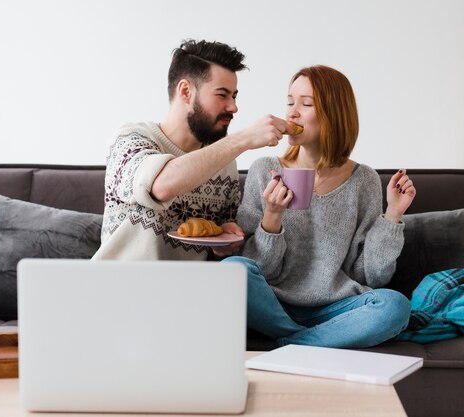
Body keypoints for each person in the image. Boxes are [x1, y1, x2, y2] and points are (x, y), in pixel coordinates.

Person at [223, 65, 416, 348]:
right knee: (232, 270)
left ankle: (290, 345)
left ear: (333, 113)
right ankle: (313, 344)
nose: (292, 113)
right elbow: (258, 269)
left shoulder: (364, 180)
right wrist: (272, 217)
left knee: (394, 306)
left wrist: (392, 215)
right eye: (290, 102)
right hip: (273, 305)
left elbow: (370, 277)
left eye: (306, 104)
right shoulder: (265, 170)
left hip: (335, 310)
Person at [92, 39, 295, 261]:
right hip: (117, 286)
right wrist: (244, 139)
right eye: (222, 94)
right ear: (186, 91)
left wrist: (226, 239)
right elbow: (161, 186)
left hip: (189, 290)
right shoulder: (129, 139)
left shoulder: (225, 164)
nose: (234, 107)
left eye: (234, 96)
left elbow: (223, 236)